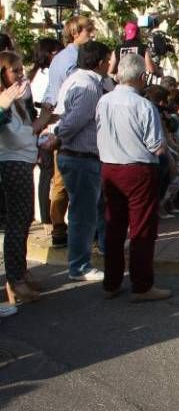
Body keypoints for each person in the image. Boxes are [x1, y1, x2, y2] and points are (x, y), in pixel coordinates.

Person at [96, 53, 171, 301]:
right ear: (141, 77)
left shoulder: (104, 101)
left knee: (114, 225)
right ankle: (141, 285)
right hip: (138, 169)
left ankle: (112, 282)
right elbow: (155, 145)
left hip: (110, 167)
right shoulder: (143, 105)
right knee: (141, 228)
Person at [46, 41, 111, 282]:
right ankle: (79, 266)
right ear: (100, 62)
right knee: (82, 215)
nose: (111, 63)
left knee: (86, 211)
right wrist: (57, 137)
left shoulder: (79, 80)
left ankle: (84, 260)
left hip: (78, 157)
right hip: (80, 157)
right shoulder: (87, 86)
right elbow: (75, 120)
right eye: (109, 58)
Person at [38, 14, 97, 247]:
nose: (92, 33)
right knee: (63, 180)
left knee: (65, 180)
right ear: (75, 32)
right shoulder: (70, 59)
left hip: (67, 121)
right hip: (67, 122)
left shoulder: (65, 57)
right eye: (88, 30)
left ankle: (64, 229)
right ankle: (61, 230)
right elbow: (64, 92)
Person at [0, 52, 41, 304]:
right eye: (14, 70)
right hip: (11, 163)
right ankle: (15, 281)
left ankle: (20, 274)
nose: (20, 74)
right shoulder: (5, 101)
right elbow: (18, 137)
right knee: (17, 222)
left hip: (23, 161)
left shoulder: (18, 101)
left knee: (24, 219)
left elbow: (28, 132)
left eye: (20, 69)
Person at [28, 37, 63, 224]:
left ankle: (44, 215)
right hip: (45, 128)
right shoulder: (46, 75)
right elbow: (46, 103)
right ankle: (46, 217)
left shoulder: (34, 73)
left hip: (40, 127)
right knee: (47, 172)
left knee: (45, 173)